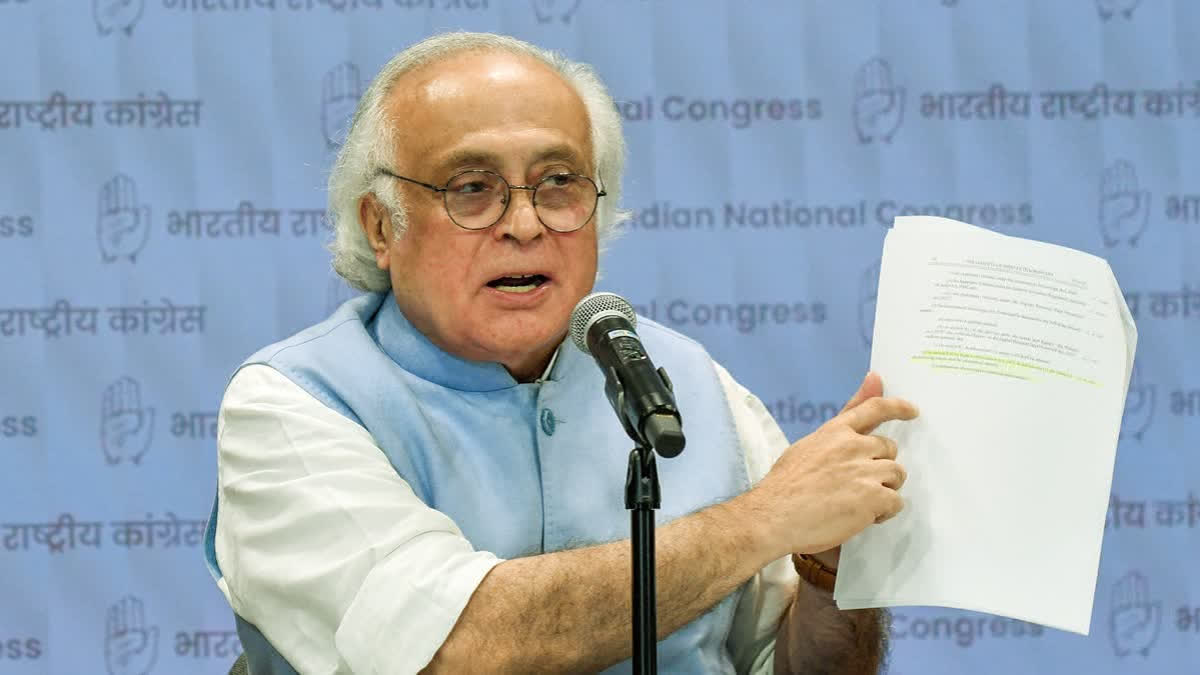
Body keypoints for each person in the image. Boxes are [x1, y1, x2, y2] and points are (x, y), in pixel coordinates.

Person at [202, 31, 918, 674]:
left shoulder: (689, 382)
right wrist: (764, 519)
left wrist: (830, 570)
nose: (524, 223)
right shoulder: (291, 404)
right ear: (381, 226)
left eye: (558, 183)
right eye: (473, 188)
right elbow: (455, 649)